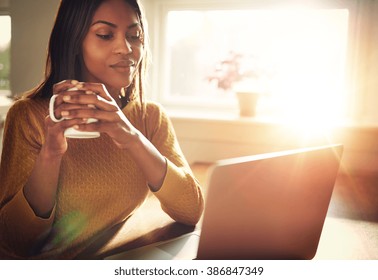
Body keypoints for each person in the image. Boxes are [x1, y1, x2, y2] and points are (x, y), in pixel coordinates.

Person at [0, 0, 204, 259]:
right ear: (74, 41)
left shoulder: (149, 117)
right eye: (105, 35)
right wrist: (50, 155)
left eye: (135, 35)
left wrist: (130, 135)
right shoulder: (28, 117)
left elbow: (191, 210)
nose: (126, 48)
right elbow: (11, 243)